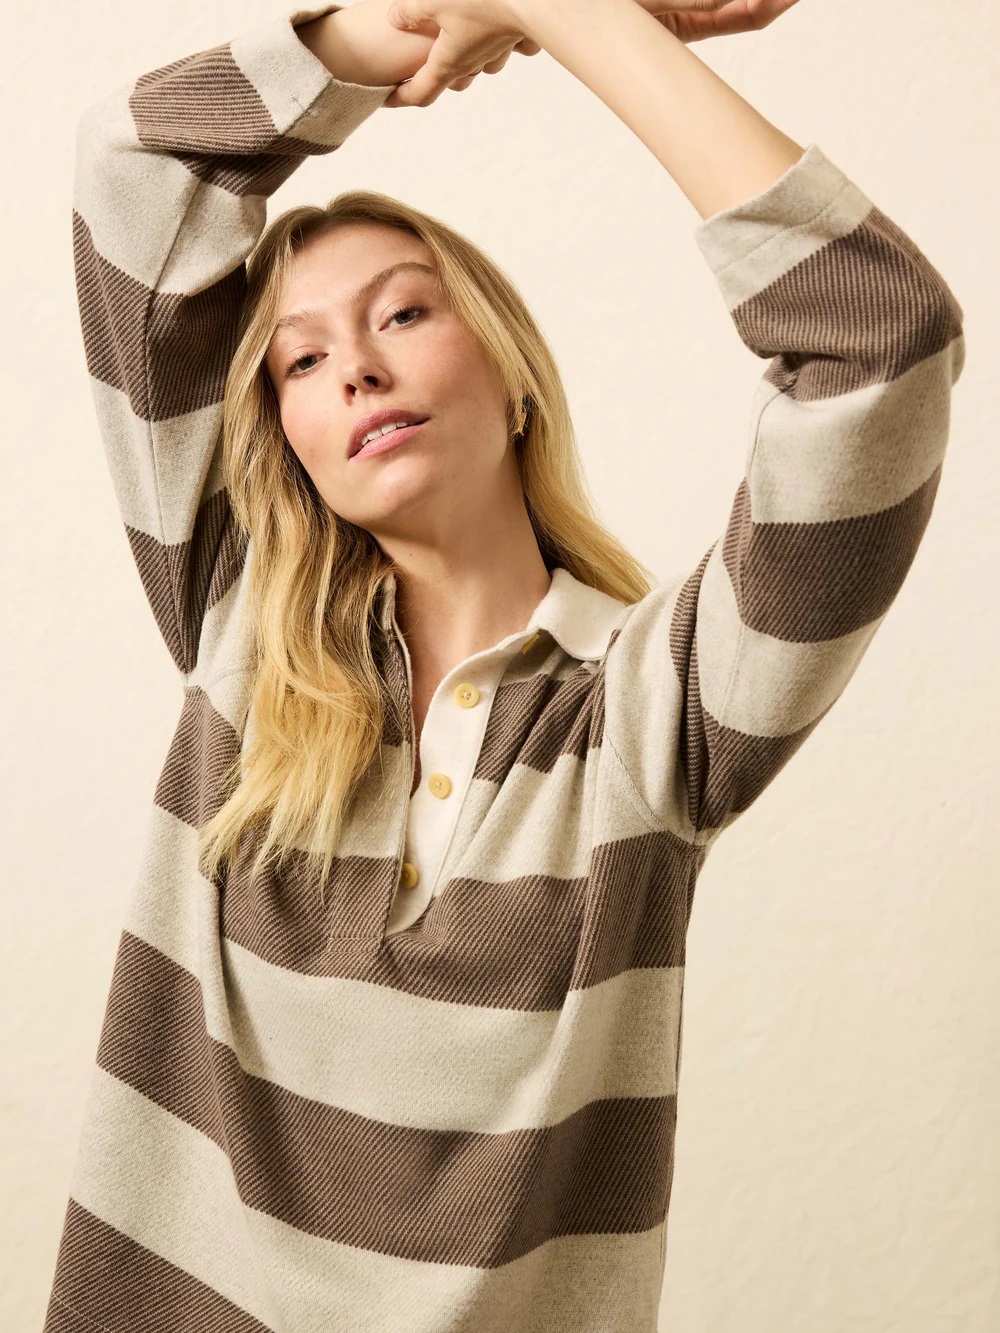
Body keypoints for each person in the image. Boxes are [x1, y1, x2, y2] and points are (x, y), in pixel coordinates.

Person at [46, 1, 965, 1329]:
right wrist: (438, 15)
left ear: (513, 368)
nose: (356, 370)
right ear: (284, 435)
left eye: (404, 312)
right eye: (302, 359)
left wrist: (577, 17)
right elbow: (136, 167)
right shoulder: (235, 624)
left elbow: (882, 347)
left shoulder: (656, 715)